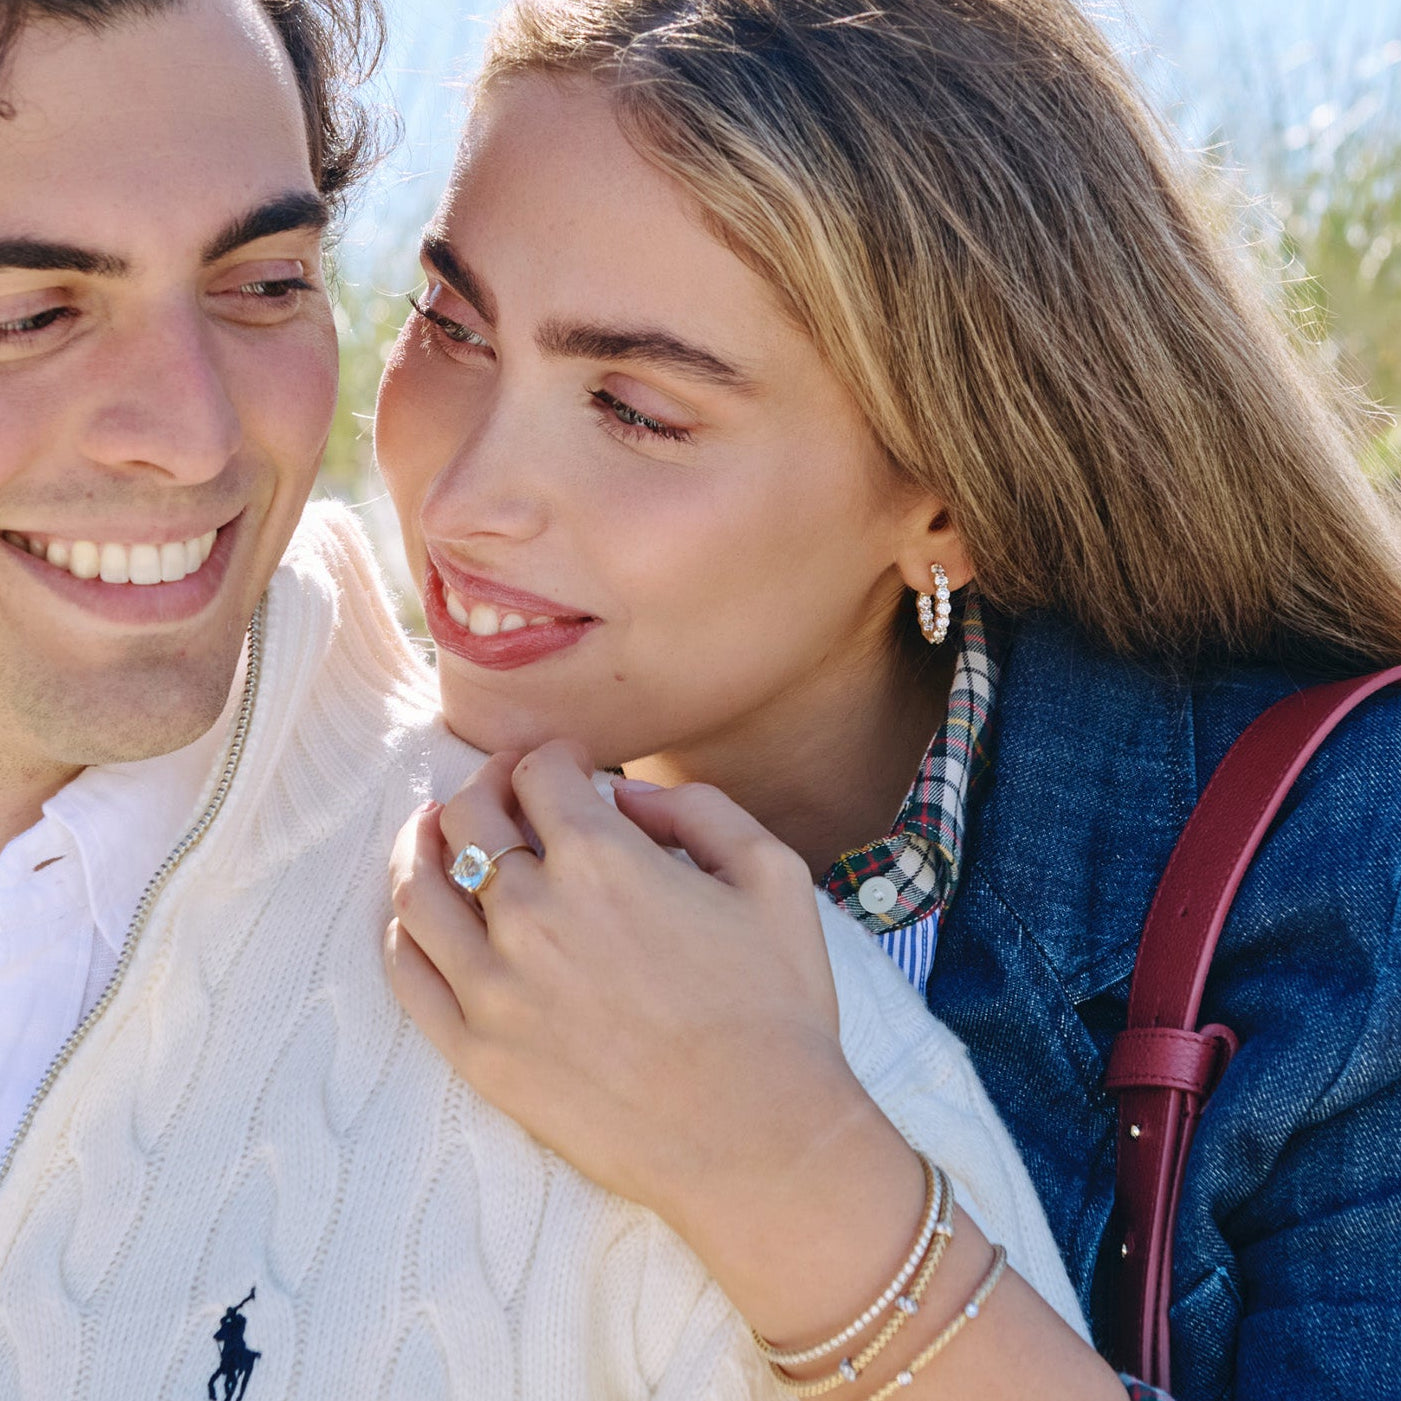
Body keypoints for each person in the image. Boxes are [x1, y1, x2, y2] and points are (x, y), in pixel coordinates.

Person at [0, 2, 1084, 1395]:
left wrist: (793, 1164)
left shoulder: (671, 1014)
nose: (196, 433)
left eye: (263, 283)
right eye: (29, 314)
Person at [378, 0, 1401, 1398]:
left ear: (951, 498)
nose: (465, 495)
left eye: (635, 407)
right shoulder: (307, 756)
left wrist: (772, 1156)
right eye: (449, 324)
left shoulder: (1349, 862)